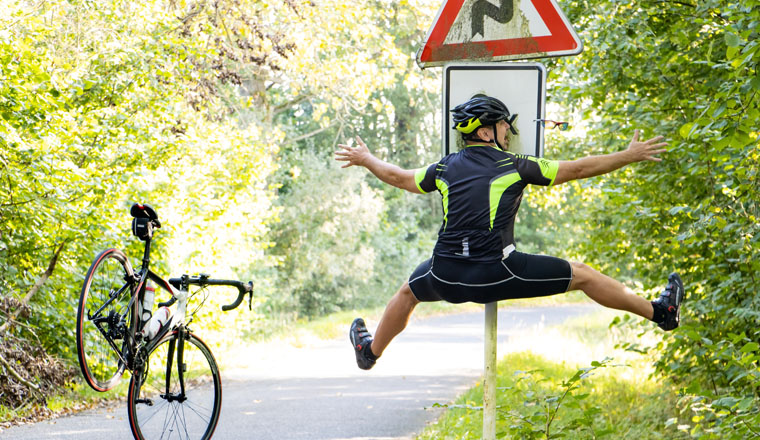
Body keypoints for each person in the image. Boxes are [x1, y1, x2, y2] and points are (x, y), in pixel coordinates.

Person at [335, 95, 685, 370]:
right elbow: (577, 169)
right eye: (504, 127)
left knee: (406, 294)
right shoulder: (518, 166)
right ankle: (661, 313)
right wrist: (628, 155)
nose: (508, 133)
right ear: (486, 131)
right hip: (497, 273)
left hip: (445, 275)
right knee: (583, 276)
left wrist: (366, 159)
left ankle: (369, 353)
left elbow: (397, 177)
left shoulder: (441, 168)